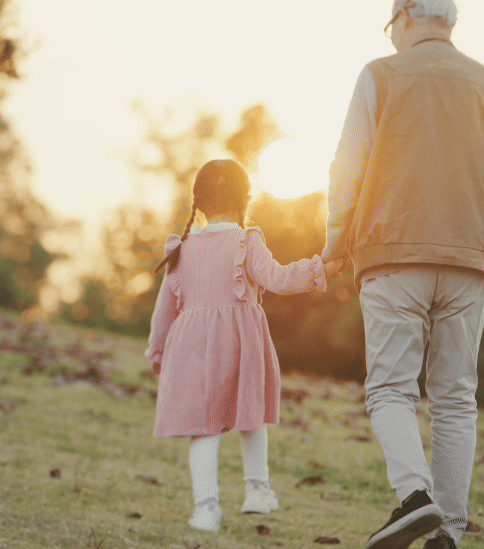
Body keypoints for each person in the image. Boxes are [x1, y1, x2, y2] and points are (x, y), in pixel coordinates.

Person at [322, 0, 484, 549]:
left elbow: (348, 166)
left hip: (392, 249)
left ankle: (415, 498)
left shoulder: (380, 74)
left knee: (391, 389)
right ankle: (447, 532)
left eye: (392, 24)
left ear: (406, 14)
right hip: (475, 260)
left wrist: (335, 243)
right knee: (454, 397)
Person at [145, 158, 343, 533]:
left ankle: (206, 509)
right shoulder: (247, 240)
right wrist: (321, 269)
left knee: (203, 428)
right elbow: (279, 279)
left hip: (191, 345)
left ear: (198, 203)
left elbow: (164, 310)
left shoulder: (182, 249)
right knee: (251, 415)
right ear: (245, 198)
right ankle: (257, 490)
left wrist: (158, 351)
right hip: (240, 340)